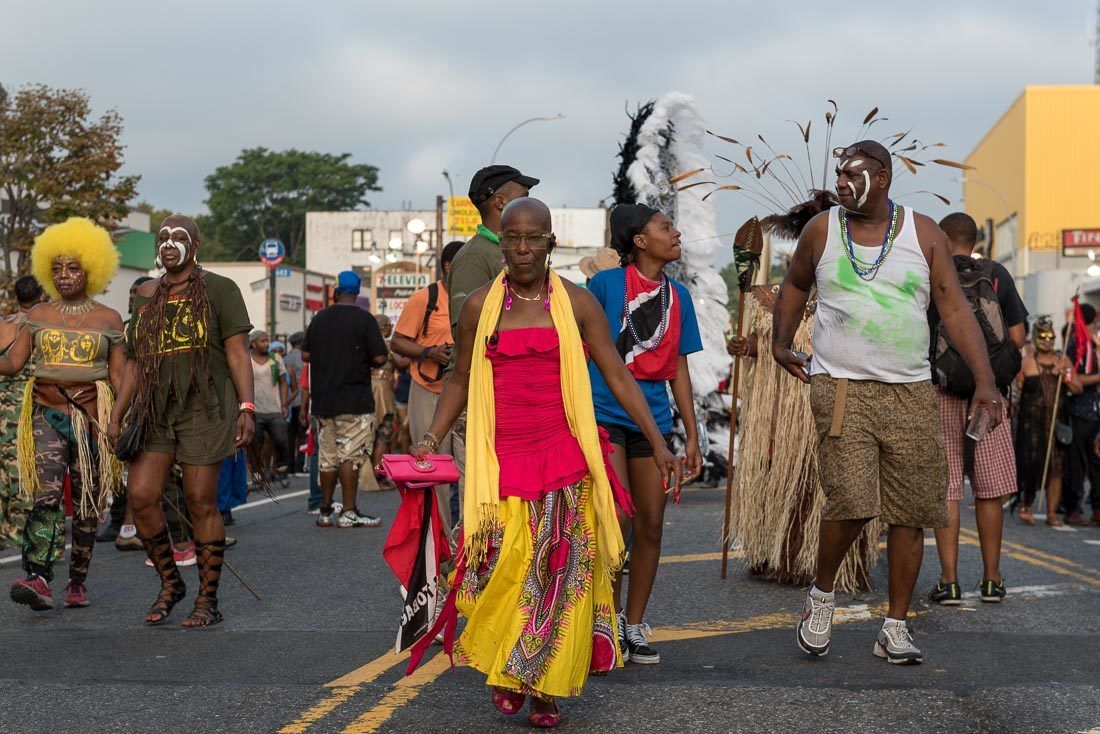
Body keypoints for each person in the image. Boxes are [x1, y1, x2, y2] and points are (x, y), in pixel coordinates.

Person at [411, 198, 682, 726]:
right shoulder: (479, 307)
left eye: (534, 238)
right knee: (508, 571)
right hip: (501, 459)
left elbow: (618, 375)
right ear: (502, 242)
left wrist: (659, 440)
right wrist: (430, 437)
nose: (522, 248)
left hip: (564, 454)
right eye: (512, 238)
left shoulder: (578, 304)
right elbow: (462, 379)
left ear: (551, 241)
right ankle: (511, 671)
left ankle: (547, 687)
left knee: (559, 572)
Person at [773, 141, 1001, 665]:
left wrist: (985, 381)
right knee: (851, 499)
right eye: (840, 175)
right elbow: (794, 284)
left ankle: (894, 626)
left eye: (855, 175)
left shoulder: (924, 234)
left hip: (911, 391)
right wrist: (780, 343)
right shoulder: (822, 231)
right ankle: (821, 596)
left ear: (884, 176)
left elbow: (954, 308)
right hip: (841, 386)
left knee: (911, 511)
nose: (844, 184)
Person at [108, 214, 255, 628]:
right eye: (163, 238)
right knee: (140, 495)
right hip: (155, 410)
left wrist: (247, 407)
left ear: (196, 245)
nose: (169, 244)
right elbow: (136, 362)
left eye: (179, 237)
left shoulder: (221, 289)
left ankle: (208, 600)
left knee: (199, 500)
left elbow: (238, 353)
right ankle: (171, 582)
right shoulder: (147, 295)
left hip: (205, 408)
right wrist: (118, 414)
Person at [586, 203, 703, 665]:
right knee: (618, 522)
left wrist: (691, 436)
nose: (676, 233)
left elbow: (679, 370)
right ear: (639, 240)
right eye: (665, 226)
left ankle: (633, 626)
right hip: (604, 418)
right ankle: (606, 622)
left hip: (653, 422)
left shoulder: (681, 297)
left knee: (651, 524)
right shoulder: (605, 285)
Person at [1, 218, 126, 611]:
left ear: (93, 268)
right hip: (46, 413)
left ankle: (77, 581)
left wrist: (120, 419)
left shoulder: (109, 319)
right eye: (56, 269)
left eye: (73, 268)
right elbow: (14, 363)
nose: (64, 276)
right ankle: (37, 576)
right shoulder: (39, 313)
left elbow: (121, 376)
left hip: (91, 418)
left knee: (89, 501)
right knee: (48, 493)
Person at [727, 286, 881, 592]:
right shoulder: (774, 297)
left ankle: (833, 566)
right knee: (788, 482)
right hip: (788, 413)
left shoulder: (854, 291)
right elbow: (764, 341)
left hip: (837, 401)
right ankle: (786, 558)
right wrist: (745, 346)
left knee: (832, 483)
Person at [927, 212, 1027, 607]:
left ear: (942, 236)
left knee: (949, 486)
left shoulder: (933, 273)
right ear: (973, 239)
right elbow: (1017, 337)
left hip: (944, 392)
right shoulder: (997, 274)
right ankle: (991, 579)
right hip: (990, 395)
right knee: (989, 489)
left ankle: (949, 582)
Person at [446, 166, 539, 492]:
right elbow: (465, 333)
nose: (530, 205)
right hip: (480, 395)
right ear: (500, 202)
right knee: (483, 496)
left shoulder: (512, 252)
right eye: (522, 198)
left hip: (512, 394)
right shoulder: (475, 257)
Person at [302, 270, 389, 528]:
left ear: (336, 292)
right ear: (357, 292)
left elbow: (306, 355)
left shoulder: (319, 319)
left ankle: (326, 511)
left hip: (324, 400)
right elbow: (380, 358)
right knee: (349, 456)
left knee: (328, 456)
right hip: (355, 399)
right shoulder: (365, 320)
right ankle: (349, 511)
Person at [391, 239, 464, 527]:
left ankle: (469, 543)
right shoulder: (425, 298)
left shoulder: (474, 296)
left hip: (464, 389)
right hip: (429, 389)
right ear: (448, 266)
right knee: (434, 468)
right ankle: (441, 543)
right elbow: (397, 342)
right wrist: (428, 352)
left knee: (468, 467)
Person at [98, 275, 155, 547]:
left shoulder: (158, 325)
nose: (132, 297)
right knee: (123, 464)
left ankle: (137, 526)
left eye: (138, 293)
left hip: (152, 404)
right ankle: (122, 523)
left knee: (143, 465)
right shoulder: (122, 327)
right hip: (124, 402)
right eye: (131, 293)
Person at [0, 275, 45, 548]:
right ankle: (29, 532)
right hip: (33, 403)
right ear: (41, 296)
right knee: (32, 467)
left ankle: (7, 531)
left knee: (5, 468)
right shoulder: (44, 326)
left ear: (16, 298)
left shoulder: (4, 326)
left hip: (3, 405)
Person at [1015, 316, 1068, 527]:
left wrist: (1064, 376)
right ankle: (1026, 506)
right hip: (1031, 423)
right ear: (1036, 337)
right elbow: (1017, 390)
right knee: (1030, 464)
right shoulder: (1027, 362)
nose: (1047, 340)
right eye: (1043, 336)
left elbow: (1076, 388)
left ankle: (1052, 513)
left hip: (1056, 420)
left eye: (1051, 336)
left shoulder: (1063, 361)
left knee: (1056, 466)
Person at [1062, 302, 1100, 526]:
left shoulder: (1093, 345)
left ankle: (1096, 507)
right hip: (1077, 412)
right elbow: (1073, 380)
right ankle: (1072, 508)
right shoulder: (1074, 345)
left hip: (1095, 413)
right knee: (1076, 464)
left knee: (1096, 463)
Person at [248, 330, 290, 484]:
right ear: (253, 343)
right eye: (263, 341)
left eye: (267, 341)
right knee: (255, 445)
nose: (267, 344)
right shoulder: (247, 359)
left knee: (280, 440)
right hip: (255, 410)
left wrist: (284, 404)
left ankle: (282, 470)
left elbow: (283, 382)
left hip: (274, 409)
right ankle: (257, 473)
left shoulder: (275, 358)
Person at [284, 332, 306, 474]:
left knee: (289, 435)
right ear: (300, 342)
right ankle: (299, 465)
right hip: (300, 399)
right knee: (302, 434)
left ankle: (289, 464)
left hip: (287, 401)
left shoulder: (285, 358)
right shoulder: (303, 358)